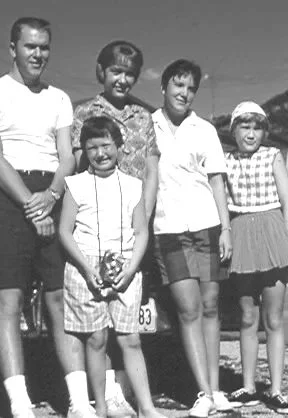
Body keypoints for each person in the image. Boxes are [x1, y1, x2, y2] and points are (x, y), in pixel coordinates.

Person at [0, 17, 79, 418]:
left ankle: (79, 399)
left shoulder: (60, 98)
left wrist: (51, 195)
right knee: (8, 301)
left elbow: (67, 154)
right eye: (30, 46)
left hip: (51, 191)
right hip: (6, 196)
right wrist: (31, 205)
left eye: (44, 47)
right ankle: (20, 404)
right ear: (12, 47)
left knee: (60, 299)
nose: (38, 54)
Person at [71, 40, 159, 417]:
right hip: (96, 228)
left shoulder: (144, 116)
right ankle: (105, 397)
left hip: (134, 226)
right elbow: (77, 165)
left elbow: (152, 169)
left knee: (129, 325)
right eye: (116, 71)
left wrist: (145, 215)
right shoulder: (84, 112)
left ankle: (128, 395)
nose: (122, 79)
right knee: (96, 328)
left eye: (130, 73)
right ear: (101, 72)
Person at [59, 115, 166, 418]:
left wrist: (130, 269)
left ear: (119, 147)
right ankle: (101, 407)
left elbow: (142, 231)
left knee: (130, 339)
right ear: (84, 152)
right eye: (92, 147)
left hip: (126, 267)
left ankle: (146, 407)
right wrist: (87, 268)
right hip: (84, 267)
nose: (100, 153)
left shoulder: (134, 186)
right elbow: (65, 231)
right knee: (95, 338)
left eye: (106, 145)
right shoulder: (75, 184)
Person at [150, 59, 233, 418]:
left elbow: (217, 181)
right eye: (177, 85)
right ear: (164, 87)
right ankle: (202, 391)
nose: (184, 93)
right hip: (168, 229)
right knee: (189, 309)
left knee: (211, 307)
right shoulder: (148, 126)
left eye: (190, 88)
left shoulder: (205, 129)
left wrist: (226, 229)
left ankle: (216, 389)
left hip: (207, 225)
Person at [224, 101, 288, 414]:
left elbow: (287, 199)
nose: (251, 134)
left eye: (257, 127)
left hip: (272, 230)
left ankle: (275, 388)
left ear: (265, 130)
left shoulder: (273, 156)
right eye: (244, 127)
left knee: (274, 317)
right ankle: (248, 385)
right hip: (240, 231)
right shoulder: (225, 160)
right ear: (234, 130)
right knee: (247, 316)